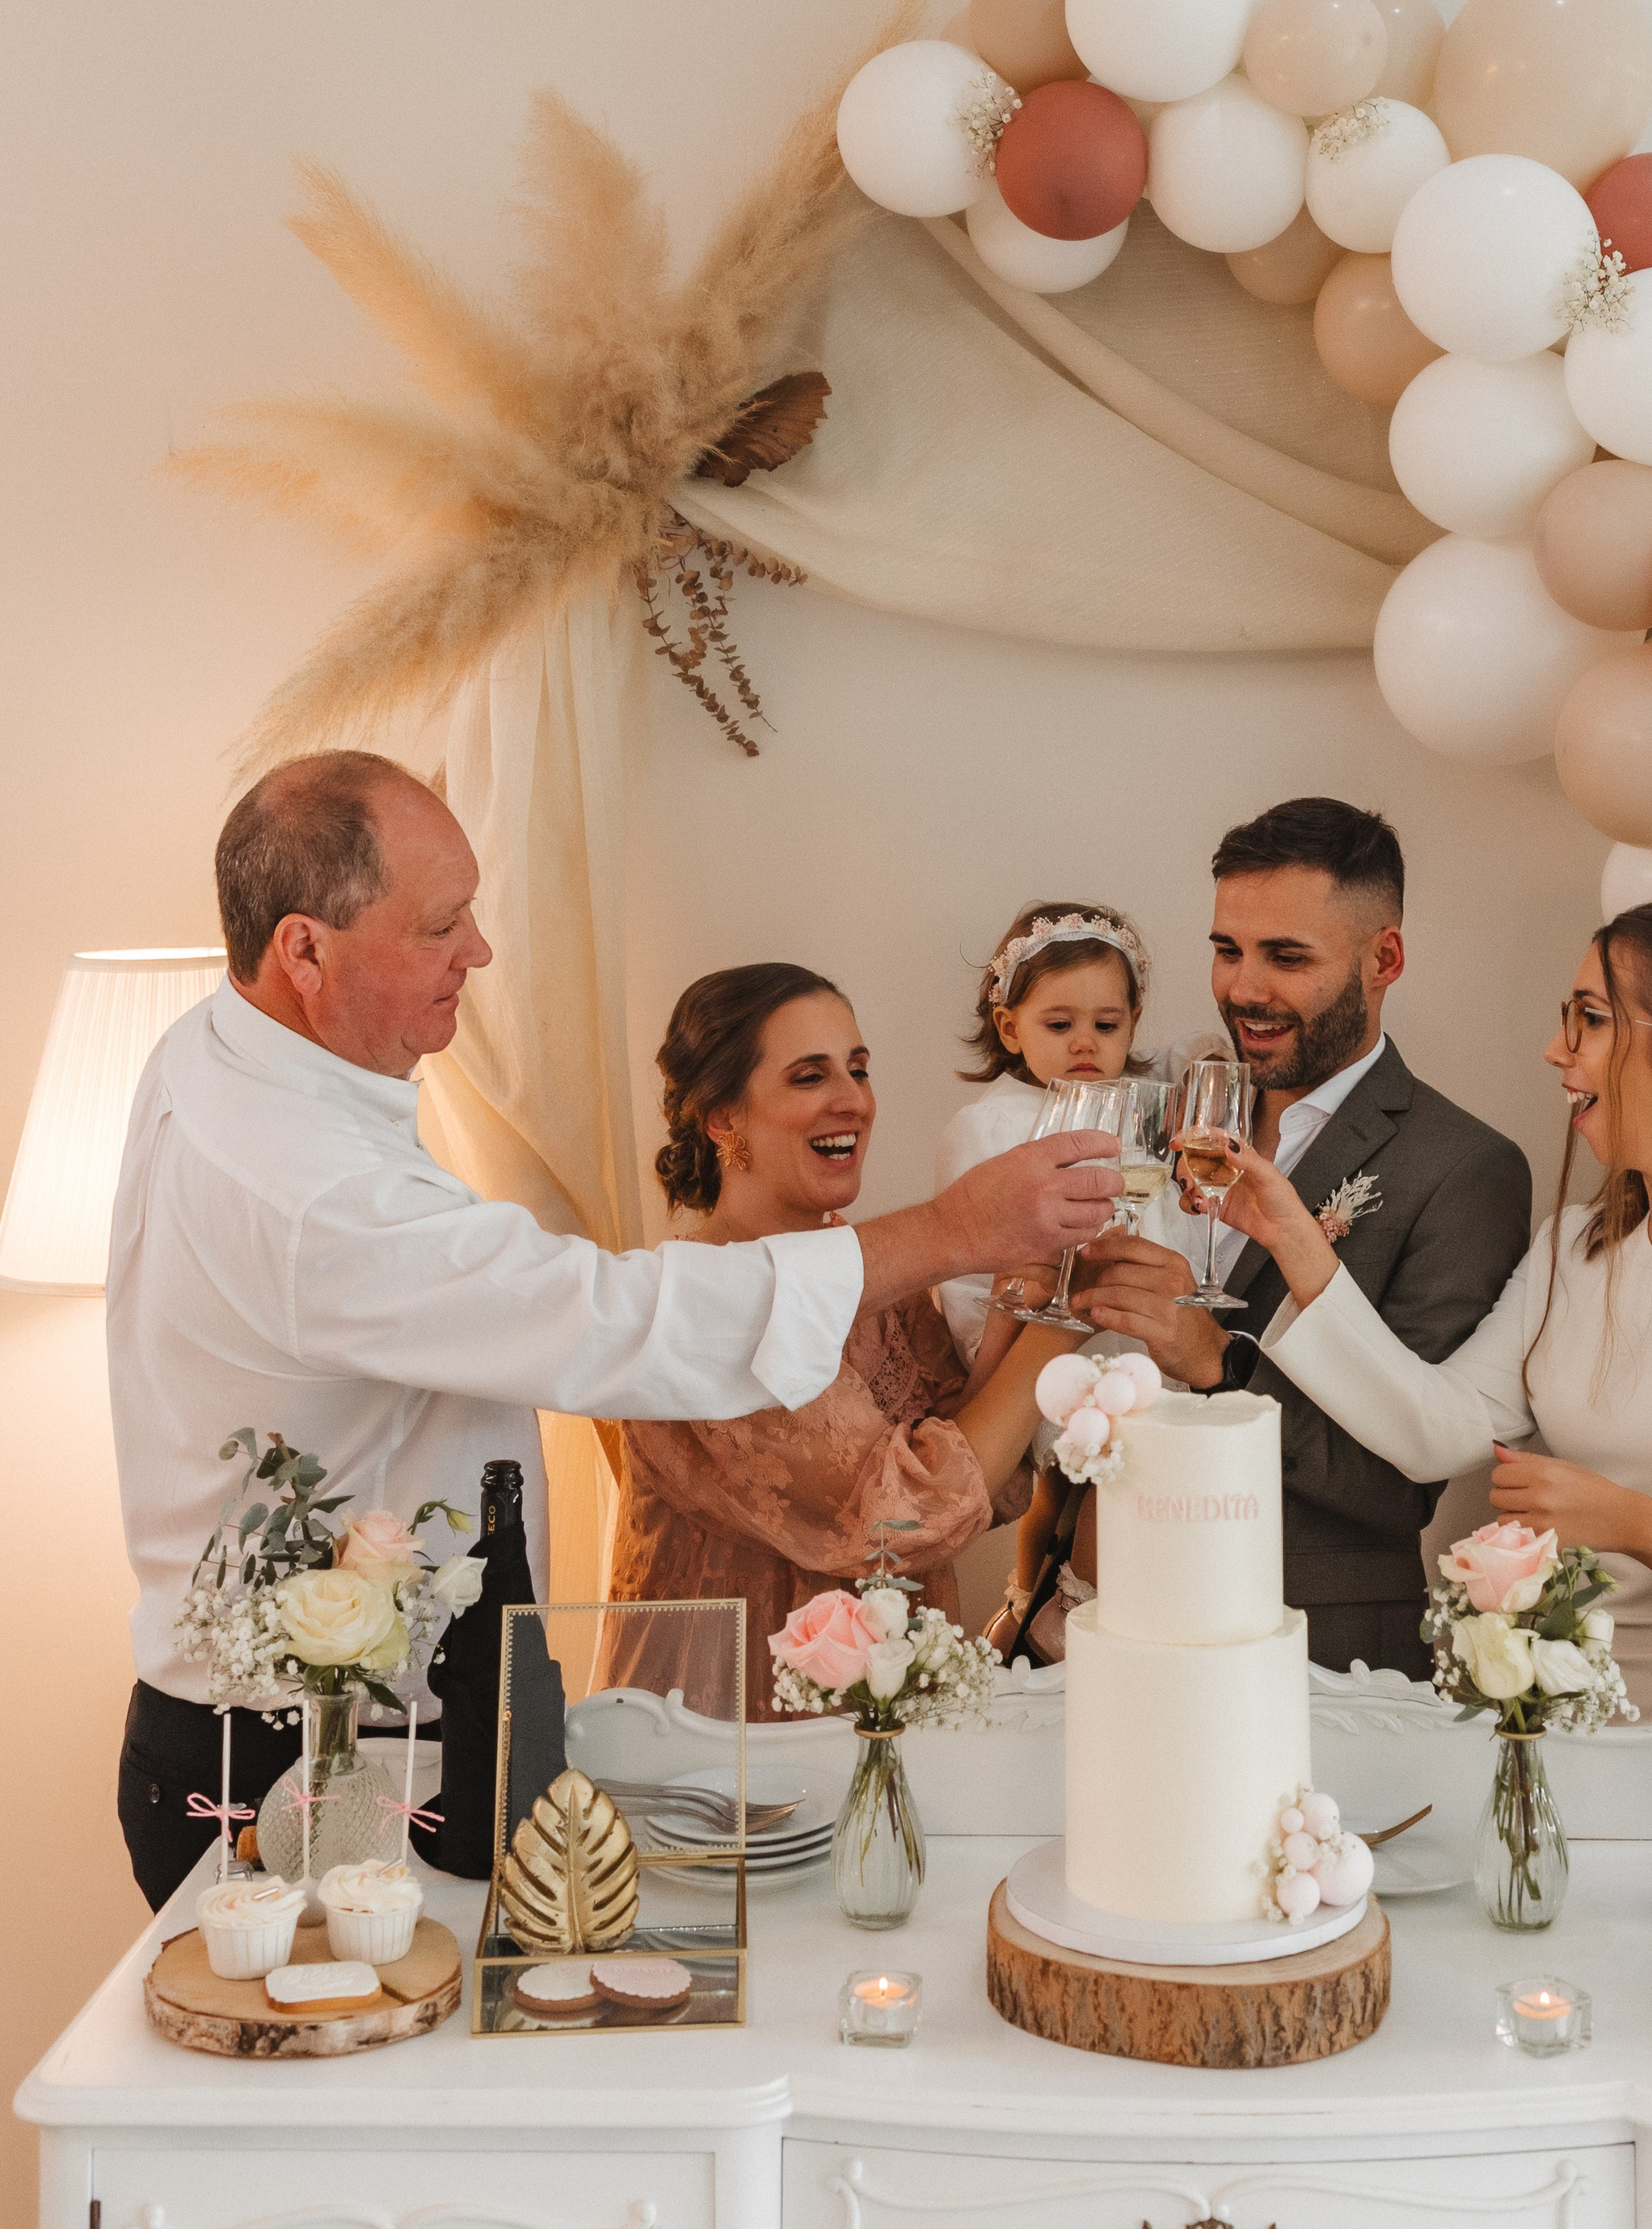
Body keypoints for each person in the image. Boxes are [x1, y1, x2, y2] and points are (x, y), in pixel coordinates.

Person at [109, 752, 1118, 1907]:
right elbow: (611, 1320)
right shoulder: (307, 1193)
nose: (478, 953)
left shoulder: (229, 1048)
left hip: (393, 1721)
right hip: (305, 1757)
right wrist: (952, 1231)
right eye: (444, 925)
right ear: (304, 950)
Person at [1187, 891, 1652, 1719]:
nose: (1554, 1050)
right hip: (1556, 1737)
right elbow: (1434, 1430)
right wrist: (1294, 1241)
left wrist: (1642, 1524)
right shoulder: (1576, 1247)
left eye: (1590, 1019)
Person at [1073, 798, 1532, 1679]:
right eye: (1226, 948)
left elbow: (1397, 1486)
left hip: (1315, 1643)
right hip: (1122, 1605)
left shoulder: (1463, 1166)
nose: (1243, 987)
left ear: (1383, 958)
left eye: (1286, 956)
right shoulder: (1185, 1108)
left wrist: (1216, 1361)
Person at [601, 966, 1058, 1713]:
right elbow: (901, 1517)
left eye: (859, 1069)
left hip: (888, 1705)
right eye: (810, 1076)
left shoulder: (869, 1272)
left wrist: (1025, 1294)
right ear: (721, 1117)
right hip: (738, 1721)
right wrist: (1061, 1335)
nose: (854, 1101)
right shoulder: (698, 1304)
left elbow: (990, 1474)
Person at [933, 900, 1212, 1658]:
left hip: (1139, 1334)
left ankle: (1056, 1604)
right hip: (1043, 1346)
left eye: (1108, 1025)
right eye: (1059, 1026)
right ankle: (1066, 1614)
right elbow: (964, 1272)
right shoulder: (994, 1125)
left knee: (1130, 1475)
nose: (1086, 1043)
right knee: (1104, 1464)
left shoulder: (1143, 1110)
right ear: (1008, 1026)